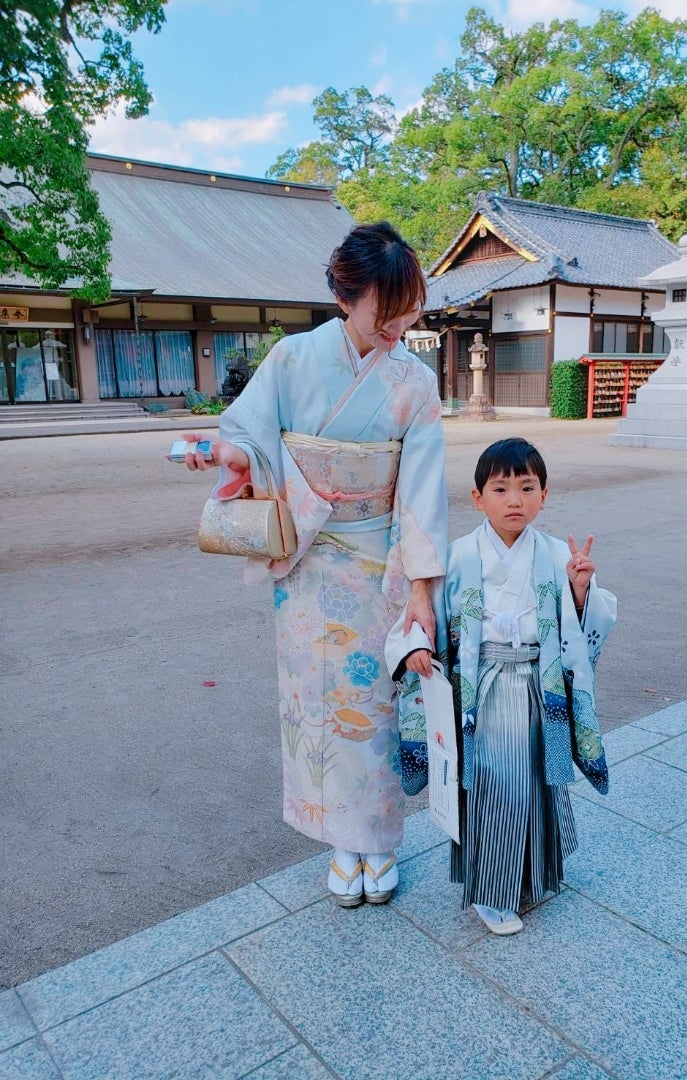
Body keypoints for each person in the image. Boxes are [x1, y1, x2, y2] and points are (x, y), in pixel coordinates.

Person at [183, 222, 447, 908]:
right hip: (306, 563)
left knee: (374, 706)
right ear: (344, 297)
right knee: (318, 705)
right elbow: (249, 436)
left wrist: (422, 589)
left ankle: (378, 843)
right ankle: (340, 844)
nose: (398, 327)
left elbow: (422, 490)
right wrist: (229, 456)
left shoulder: (415, 383)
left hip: (380, 566)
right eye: (386, 311)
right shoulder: (294, 358)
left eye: (408, 311)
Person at [386, 438, 616, 935]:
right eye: (501, 488)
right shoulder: (457, 556)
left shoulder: (557, 554)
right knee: (497, 787)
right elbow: (421, 614)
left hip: (539, 686)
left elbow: (589, 620)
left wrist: (579, 590)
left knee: (534, 783)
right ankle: (492, 893)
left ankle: (528, 875)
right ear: (478, 498)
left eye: (527, 488)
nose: (515, 500)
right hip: (482, 693)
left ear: (544, 496)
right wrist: (416, 648)